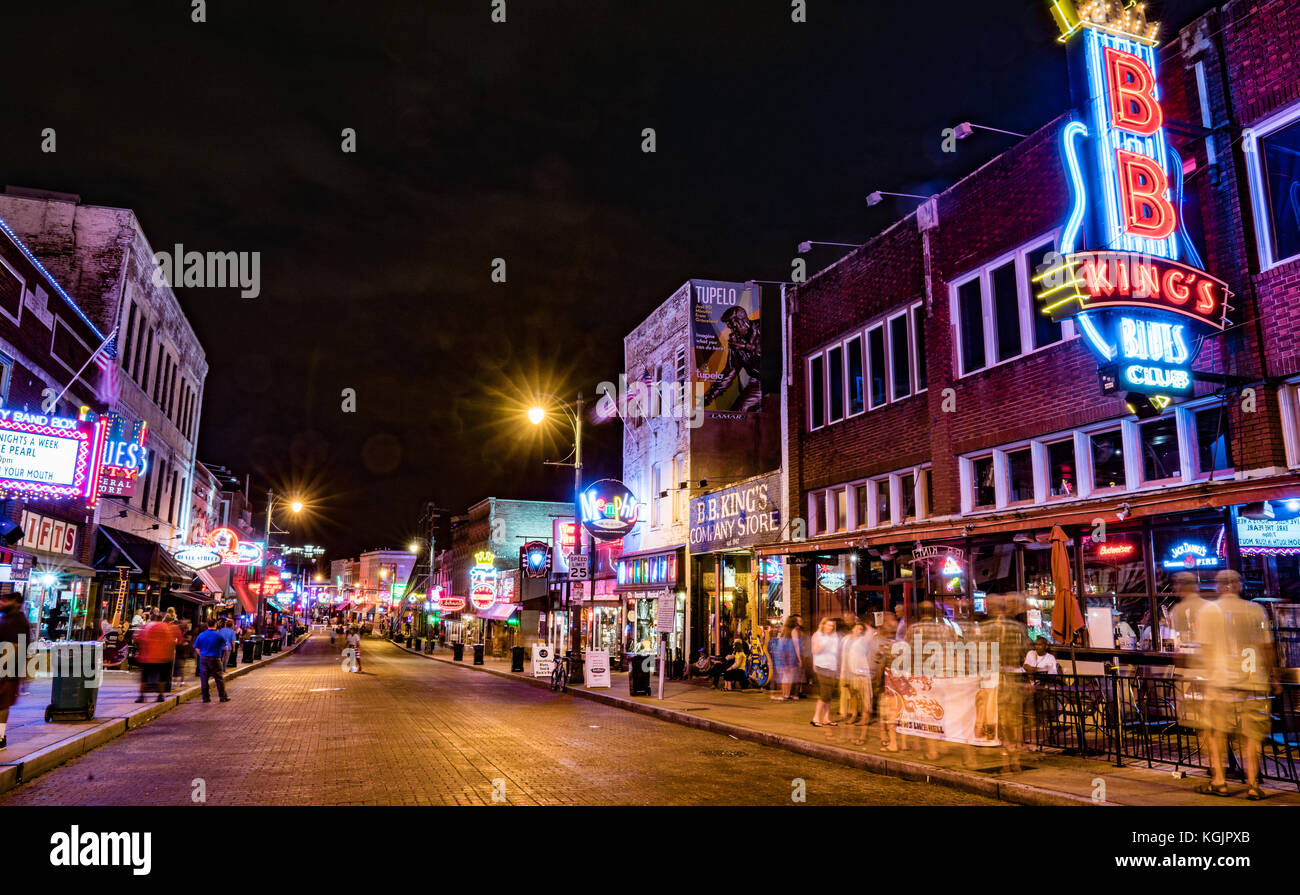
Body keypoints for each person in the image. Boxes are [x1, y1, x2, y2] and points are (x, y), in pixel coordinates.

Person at [1195, 570, 1275, 800]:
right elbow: (1267, 647)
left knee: (1215, 732)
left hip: (1221, 682)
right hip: (1253, 681)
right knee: (1251, 735)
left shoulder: (1208, 611)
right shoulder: (1256, 610)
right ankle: (1252, 784)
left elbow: (1207, 650)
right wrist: (1272, 675)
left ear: (1219, 587)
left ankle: (1219, 780)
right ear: (1239, 586)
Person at [982, 595, 1032, 771]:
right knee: (1014, 716)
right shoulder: (1017, 626)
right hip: (1014, 676)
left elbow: (979, 652)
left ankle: (1006, 751)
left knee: (1000, 716)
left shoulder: (986, 627)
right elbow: (1027, 648)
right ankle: (1015, 754)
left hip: (996, 678)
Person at [0, 591, 31, 750]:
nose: (2, 603)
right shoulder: (5, 618)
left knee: (2, 705)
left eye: (6, 601)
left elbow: (18, 647)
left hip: (7, 671)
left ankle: (0, 737)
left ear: (16, 603)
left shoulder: (19, 622)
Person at [134, 611, 181, 703]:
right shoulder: (167, 628)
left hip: (146, 657)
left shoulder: (145, 627)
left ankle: (141, 696)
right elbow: (175, 641)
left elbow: (136, 638)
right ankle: (160, 695)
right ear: (161, 619)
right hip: (163, 657)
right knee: (162, 677)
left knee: (144, 677)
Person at [810, 617, 841, 731]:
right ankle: (816, 717)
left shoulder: (835, 636)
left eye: (832, 626)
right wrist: (825, 644)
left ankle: (826, 718)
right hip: (821, 667)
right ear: (823, 625)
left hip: (832, 667)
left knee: (829, 695)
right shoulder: (817, 635)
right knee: (824, 694)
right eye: (828, 625)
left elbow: (837, 652)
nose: (830, 628)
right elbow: (814, 651)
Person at [1169, 571, 1208, 651]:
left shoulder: (1177, 609)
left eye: (1176, 584)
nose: (1174, 588)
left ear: (1181, 587)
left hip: (1189, 656)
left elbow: (1172, 636)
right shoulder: (1208, 605)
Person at [193, 622, 230, 703]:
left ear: (207, 625)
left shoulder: (201, 635)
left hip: (204, 659)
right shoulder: (219, 635)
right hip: (215, 658)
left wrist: (202, 654)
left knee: (204, 679)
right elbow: (225, 647)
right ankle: (222, 696)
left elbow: (196, 647)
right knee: (219, 678)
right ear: (215, 625)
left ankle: (205, 698)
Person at [770, 617, 800, 701]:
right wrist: (799, 658)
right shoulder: (793, 631)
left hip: (783, 656)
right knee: (789, 677)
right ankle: (787, 694)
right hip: (790, 655)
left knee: (785, 677)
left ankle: (784, 694)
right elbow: (796, 645)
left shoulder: (784, 630)